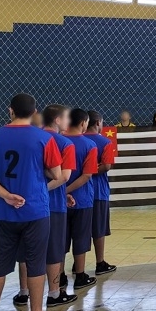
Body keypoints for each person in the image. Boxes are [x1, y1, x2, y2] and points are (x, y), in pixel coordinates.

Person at [0, 93, 63, 311]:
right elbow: (57, 173)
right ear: (34, 113)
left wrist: (6, 195)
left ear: (10, 111)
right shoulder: (44, 139)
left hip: (5, 211)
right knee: (36, 262)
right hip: (35, 210)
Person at [14, 105, 80, 310]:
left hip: (25, 204)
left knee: (26, 249)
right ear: (58, 120)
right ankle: (54, 294)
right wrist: (42, 190)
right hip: (52, 205)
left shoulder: (30, 139)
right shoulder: (65, 143)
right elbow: (64, 177)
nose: (69, 122)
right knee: (54, 250)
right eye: (67, 118)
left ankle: (23, 292)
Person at [63, 109, 99, 290]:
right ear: (84, 122)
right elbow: (86, 176)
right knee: (81, 238)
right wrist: (67, 190)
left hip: (58, 201)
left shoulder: (58, 141)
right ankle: (80, 275)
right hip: (82, 199)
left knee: (61, 239)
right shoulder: (89, 145)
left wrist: (61, 191)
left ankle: (59, 276)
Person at [85, 111, 117, 276]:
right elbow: (106, 166)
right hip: (98, 191)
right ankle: (100, 262)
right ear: (98, 123)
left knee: (80, 230)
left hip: (80, 191)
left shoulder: (76, 140)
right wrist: (90, 171)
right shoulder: (105, 142)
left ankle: (78, 266)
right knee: (99, 229)